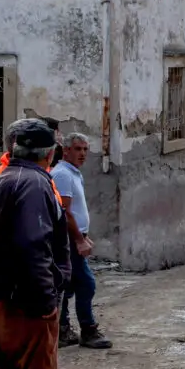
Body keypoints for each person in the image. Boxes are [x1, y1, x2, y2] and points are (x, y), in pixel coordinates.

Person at [0, 118, 71, 369]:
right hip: (27, 304)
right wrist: (45, 302)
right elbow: (32, 245)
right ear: (50, 153)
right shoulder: (35, 185)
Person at [50, 133, 111, 349]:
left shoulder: (73, 172)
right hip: (67, 240)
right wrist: (78, 239)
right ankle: (88, 330)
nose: (83, 154)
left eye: (85, 149)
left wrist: (84, 235)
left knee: (69, 285)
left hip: (75, 237)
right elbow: (64, 212)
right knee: (85, 283)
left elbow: (74, 210)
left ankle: (63, 330)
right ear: (66, 151)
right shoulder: (63, 175)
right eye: (77, 149)